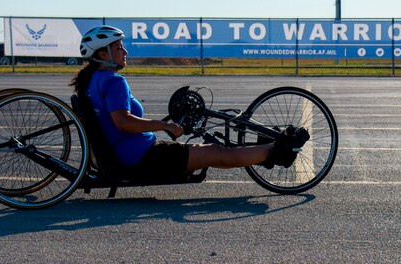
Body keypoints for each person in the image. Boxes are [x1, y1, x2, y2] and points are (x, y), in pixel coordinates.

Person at [70, 25, 306, 181]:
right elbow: (124, 122)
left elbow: (118, 124)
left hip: (126, 154)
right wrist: (165, 126)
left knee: (211, 155)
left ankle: (263, 153)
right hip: (141, 158)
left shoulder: (92, 80)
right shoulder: (113, 81)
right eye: (118, 47)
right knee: (216, 152)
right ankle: (281, 149)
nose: (125, 51)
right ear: (103, 54)